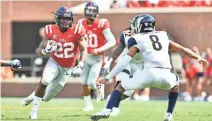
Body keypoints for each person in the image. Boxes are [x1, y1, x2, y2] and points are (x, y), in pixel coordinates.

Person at [91, 14, 209, 121]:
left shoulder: (136, 38)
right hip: (166, 76)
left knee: (121, 87)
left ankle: (107, 110)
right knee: (175, 84)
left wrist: (107, 77)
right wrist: (198, 57)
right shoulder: (163, 35)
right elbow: (182, 49)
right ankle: (169, 115)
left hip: (148, 74)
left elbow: (123, 62)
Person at [21, 6, 87, 120]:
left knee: (46, 97)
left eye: (67, 18)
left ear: (71, 19)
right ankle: (33, 112)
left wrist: (81, 64)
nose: (65, 21)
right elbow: (38, 50)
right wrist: (45, 51)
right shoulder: (51, 30)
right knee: (45, 81)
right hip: (55, 62)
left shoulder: (77, 31)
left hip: (68, 67)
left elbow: (84, 50)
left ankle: (31, 97)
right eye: (63, 18)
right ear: (57, 19)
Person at [77, 1, 116, 112]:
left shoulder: (102, 23)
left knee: (90, 82)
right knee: (84, 82)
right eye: (88, 10)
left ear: (97, 12)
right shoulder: (81, 23)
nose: (90, 13)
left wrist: (100, 49)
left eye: (92, 11)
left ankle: (99, 86)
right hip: (86, 57)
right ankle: (88, 105)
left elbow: (112, 41)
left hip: (97, 58)